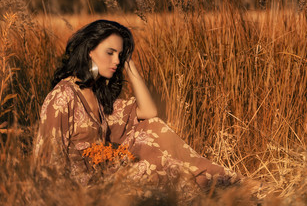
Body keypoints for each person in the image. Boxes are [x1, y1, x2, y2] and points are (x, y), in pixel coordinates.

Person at [34, 19, 241, 194]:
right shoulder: (63, 96)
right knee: (175, 178)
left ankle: (226, 185)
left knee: (155, 132)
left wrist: (129, 64)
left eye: (120, 55)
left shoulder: (96, 94)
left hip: (104, 179)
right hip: (81, 191)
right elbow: (47, 158)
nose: (116, 61)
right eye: (110, 53)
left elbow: (149, 112)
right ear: (89, 50)